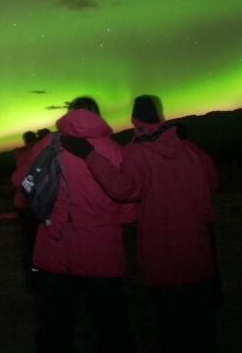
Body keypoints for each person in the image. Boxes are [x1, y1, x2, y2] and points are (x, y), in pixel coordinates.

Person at [62, 95, 219, 353]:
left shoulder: (137, 151)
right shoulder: (190, 149)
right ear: (160, 115)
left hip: (162, 252)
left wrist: (89, 156)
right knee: (202, 326)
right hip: (196, 248)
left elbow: (124, 190)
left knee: (171, 326)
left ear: (134, 120)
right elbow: (210, 183)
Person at [27, 96, 137, 353]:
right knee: (112, 326)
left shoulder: (45, 145)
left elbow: (25, 186)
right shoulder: (113, 150)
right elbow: (129, 208)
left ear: (68, 113)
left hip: (54, 250)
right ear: (98, 115)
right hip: (102, 252)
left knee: (55, 329)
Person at [10, 130, 40, 289]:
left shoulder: (20, 154)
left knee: (29, 242)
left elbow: (16, 178)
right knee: (38, 241)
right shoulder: (37, 153)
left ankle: (32, 275)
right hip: (35, 203)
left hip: (22, 203)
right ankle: (37, 274)